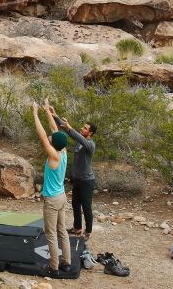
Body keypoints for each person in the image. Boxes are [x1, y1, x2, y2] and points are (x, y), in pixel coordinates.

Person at [45, 101, 97, 240]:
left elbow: (75, 134)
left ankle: (88, 231)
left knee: (86, 206)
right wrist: (54, 115)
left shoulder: (90, 145)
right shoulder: (80, 141)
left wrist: (70, 128)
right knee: (75, 205)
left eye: (85, 128)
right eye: (83, 127)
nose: (82, 128)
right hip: (77, 180)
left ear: (90, 133)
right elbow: (68, 130)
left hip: (87, 181)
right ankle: (77, 228)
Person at [32, 100, 71, 276]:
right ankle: (67, 263)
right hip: (62, 197)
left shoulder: (54, 156)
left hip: (53, 200)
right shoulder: (62, 151)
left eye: (51, 140)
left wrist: (35, 113)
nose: (49, 137)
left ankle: (54, 267)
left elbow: (42, 135)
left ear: (53, 144)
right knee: (62, 230)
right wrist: (47, 110)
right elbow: (55, 130)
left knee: (51, 234)